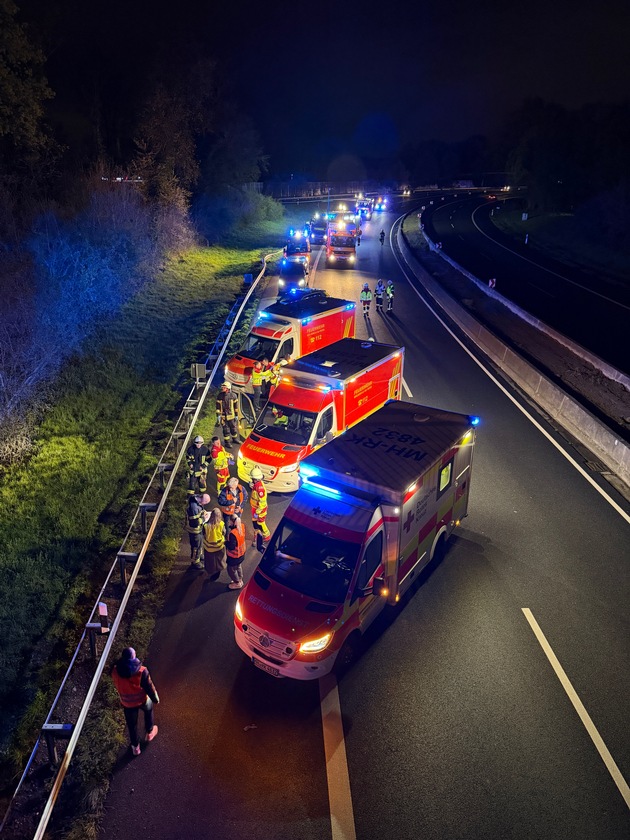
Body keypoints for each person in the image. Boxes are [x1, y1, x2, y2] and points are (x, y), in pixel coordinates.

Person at [111, 647, 160, 757]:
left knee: (132, 725)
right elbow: (149, 687)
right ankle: (149, 732)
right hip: (142, 700)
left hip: (127, 703)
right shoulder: (142, 671)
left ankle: (135, 748)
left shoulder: (114, 671)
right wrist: (155, 699)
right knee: (149, 710)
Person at [186, 492, 210, 569]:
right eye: (205, 503)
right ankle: (195, 562)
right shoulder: (194, 508)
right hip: (194, 530)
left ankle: (199, 556)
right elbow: (194, 523)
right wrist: (204, 518)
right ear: (203, 501)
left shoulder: (197, 499)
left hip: (198, 529)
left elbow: (200, 509)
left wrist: (204, 513)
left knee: (200, 544)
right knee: (196, 546)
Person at [202, 507, 227, 580]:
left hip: (209, 548)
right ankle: (217, 574)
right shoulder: (222, 524)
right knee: (219, 561)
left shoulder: (206, 525)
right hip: (219, 547)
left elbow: (203, 534)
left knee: (210, 562)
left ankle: (210, 572)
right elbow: (224, 532)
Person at [249, 466, 270, 546]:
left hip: (260, 510)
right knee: (255, 523)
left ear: (255, 479)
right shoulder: (257, 485)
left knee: (261, 523)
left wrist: (258, 512)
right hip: (255, 508)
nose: (252, 480)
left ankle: (266, 537)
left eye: (252, 479)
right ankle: (257, 535)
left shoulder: (260, 488)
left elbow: (262, 503)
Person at [215, 382, 239, 449]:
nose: (222, 388)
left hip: (232, 416)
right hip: (223, 416)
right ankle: (227, 442)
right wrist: (218, 416)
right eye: (222, 387)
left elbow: (235, 407)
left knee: (233, 429)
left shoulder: (233, 395)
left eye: (224, 387)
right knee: (226, 430)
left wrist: (236, 415)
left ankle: (234, 439)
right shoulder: (220, 396)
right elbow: (217, 407)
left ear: (228, 388)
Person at [226, 513, 247, 590]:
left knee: (231, 570)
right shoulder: (241, 526)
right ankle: (240, 579)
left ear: (232, 521)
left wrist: (225, 542)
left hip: (234, 556)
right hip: (241, 554)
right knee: (238, 567)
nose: (228, 522)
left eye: (229, 521)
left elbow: (231, 547)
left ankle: (237, 583)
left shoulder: (233, 533)